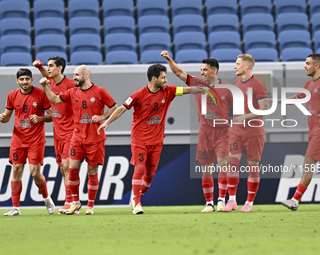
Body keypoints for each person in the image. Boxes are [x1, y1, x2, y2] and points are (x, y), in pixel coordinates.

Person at [97, 64, 193, 215]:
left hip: (157, 140)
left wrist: (206, 88)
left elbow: (187, 90)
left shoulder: (169, 91)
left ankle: (136, 197)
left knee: (149, 176)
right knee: (139, 168)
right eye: (163, 77)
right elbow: (122, 108)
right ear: (154, 79)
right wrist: (108, 122)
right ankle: (136, 202)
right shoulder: (138, 94)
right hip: (139, 139)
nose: (166, 80)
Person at [39, 65, 118, 215]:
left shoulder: (100, 91)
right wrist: (45, 86)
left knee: (92, 171)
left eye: (76, 75)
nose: (74, 77)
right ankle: (75, 203)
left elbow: (114, 107)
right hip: (77, 136)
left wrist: (103, 117)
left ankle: (90, 206)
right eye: (74, 74)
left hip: (95, 138)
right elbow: (55, 100)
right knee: (71, 168)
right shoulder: (72, 92)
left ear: (86, 76)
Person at [161, 50, 232, 212]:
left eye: (205, 70)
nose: (202, 72)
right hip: (205, 132)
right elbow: (179, 73)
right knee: (206, 168)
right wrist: (169, 59)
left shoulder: (228, 89)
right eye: (201, 70)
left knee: (223, 164)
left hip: (223, 132)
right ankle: (209, 204)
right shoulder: (199, 84)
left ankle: (221, 200)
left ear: (214, 71)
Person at [280, 54, 320, 211]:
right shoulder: (308, 83)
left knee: (308, 162)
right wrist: (278, 101)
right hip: (314, 130)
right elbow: (298, 97)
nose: (304, 66)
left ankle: (295, 200)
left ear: (317, 65)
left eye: (308, 63)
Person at [0, 68, 55, 216]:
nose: (24, 82)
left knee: (35, 173)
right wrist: (2, 117)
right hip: (18, 139)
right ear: (17, 81)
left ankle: (46, 198)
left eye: (27, 79)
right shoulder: (12, 95)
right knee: (16, 169)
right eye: (21, 79)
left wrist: (41, 118)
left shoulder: (41, 94)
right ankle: (15, 208)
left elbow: (52, 116)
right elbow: (7, 117)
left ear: (31, 80)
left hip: (35, 140)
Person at [222, 54, 269, 213]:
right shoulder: (236, 82)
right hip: (236, 131)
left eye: (237, 64)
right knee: (232, 164)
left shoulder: (258, 84)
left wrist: (245, 117)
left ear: (247, 66)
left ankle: (249, 203)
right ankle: (232, 200)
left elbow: (264, 108)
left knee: (253, 166)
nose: (235, 67)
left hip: (253, 133)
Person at [33, 57, 76, 214]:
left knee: (67, 166)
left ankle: (70, 202)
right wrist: (40, 67)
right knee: (63, 169)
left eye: (51, 66)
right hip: (57, 132)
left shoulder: (71, 85)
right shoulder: (51, 83)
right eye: (48, 66)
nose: (48, 69)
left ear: (60, 68)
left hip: (71, 131)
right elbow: (47, 77)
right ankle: (72, 201)